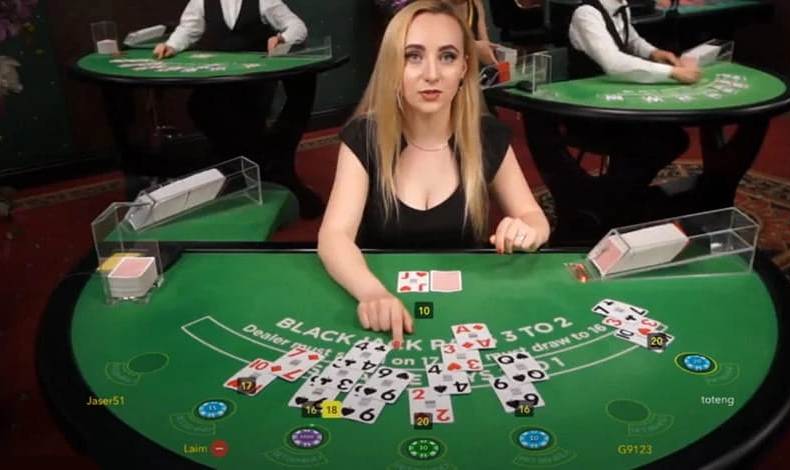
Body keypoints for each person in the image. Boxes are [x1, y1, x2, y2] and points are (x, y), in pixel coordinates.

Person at [318, 0, 549, 348]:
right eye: (413, 56)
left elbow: (534, 216)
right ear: (392, 65)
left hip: (469, 311)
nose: (432, 74)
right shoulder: (364, 136)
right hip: (384, 307)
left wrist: (527, 231)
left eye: (447, 56)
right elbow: (334, 236)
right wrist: (372, 293)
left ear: (464, 68)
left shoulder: (487, 136)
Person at [522, 0, 700, 239]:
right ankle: (608, 203)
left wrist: (653, 53)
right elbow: (614, 62)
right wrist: (673, 73)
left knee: (673, 138)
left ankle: (613, 198)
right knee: (663, 141)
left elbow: (631, 39)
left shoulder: (619, 5)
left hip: (618, 110)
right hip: (589, 116)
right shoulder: (586, 14)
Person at [152, 0, 313, 189]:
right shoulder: (201, 1)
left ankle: (252, 172)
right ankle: (236, 167)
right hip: (222, 78)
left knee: (247, 118)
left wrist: (283, 38)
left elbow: (298, 27)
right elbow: (188, 29)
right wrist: (171, 45)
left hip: (256, 79)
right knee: (198, 106)